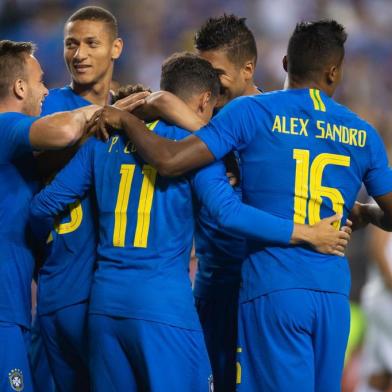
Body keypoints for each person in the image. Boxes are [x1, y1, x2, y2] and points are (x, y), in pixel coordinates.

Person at [92, 20, 392, 391]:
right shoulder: (360, 131)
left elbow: (174, 163)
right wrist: (365, 213)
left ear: (278, 64)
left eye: (215, 73)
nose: (209, 86)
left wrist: (128, 117)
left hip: (265, 285)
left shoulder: (252, 116)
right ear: (334, 71)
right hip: (283, 289)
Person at [31, 51, 349, 392]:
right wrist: (305, 233)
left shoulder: (104, 142)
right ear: (204, 101)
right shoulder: (194, 152)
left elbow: (42, 207)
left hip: (105, 309)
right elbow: (229, 213)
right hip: (165, 311)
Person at [31, 7, 128, 392]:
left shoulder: (136, 106)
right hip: (62, 281)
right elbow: (36, 165)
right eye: (72, 44)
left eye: (92, 43)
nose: (79, 54)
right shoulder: (51, 106)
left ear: (116, 48)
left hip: (115, 284)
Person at [0, 39, 100, 392]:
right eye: (41, 81)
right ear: (19, 86)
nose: (46, 90)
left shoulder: (15, 153)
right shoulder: (6, 126)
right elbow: (64, 131)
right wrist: (100, 110)